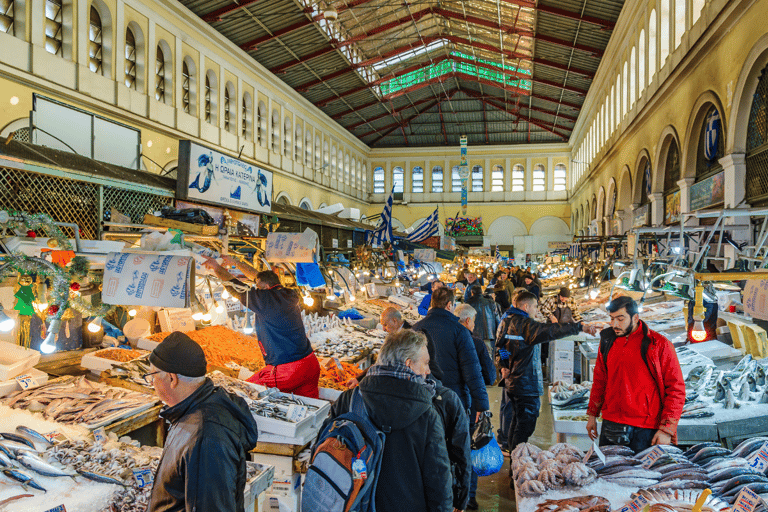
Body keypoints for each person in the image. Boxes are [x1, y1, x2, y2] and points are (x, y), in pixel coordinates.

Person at [325, 329, 454, 512]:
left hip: (355, 503)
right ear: (408, 364)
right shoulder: (426, 413)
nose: (428, 370)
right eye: (425, 363)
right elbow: (438, 477)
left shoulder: (350, 399)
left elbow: (324, 449)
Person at [146, 332, 259, 512]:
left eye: (152, 376)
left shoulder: (205, 436)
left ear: (171, 378)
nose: (151, 383)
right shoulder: (191, 411)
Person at [496, 291, 598, 461]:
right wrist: (579, 327)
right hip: (526, 383)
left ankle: (514, 461)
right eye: (535, 306)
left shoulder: (506, 321)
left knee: (516, 422)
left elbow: (501, 348)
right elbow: (552, 330)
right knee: (524, 426)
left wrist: (504, 366)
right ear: (526, 306)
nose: (537, 310)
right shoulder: (527, 325)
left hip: (512, 382)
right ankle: (517, 464)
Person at [203, 258, 321, 398]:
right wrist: (235, 261)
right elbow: (259, 277)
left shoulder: (265, 299)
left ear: (265, 288)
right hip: (310, 363)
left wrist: (216, 267)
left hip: (288, 370)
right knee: (310, 408)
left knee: (241, 393)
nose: (256, 290)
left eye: (258, 288)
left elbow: (233, 285)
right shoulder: (290, 294)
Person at [586, 296, 686, 452]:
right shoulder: (607, 341)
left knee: (644, 474)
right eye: (612, 319)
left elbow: (676, 389)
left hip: (646, 428)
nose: (614, 324)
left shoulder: (658, 344)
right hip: (612, 423)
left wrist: (667, 429)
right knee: (609, 473)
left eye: (620, 319)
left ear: (635, 317)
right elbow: (600, 380)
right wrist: (592, 414)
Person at [412, 287, 490, 419]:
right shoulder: (460, 331)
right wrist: (482, 405)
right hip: (455, 397)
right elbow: (472, 371)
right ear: (449, 305)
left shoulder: (416, 329)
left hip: (423, 397)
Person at [454, 302, 495, 509]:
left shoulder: (441, 338)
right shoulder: (476, 343)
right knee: (469, 450)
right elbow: (489, 376)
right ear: (468, 320)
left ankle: (451, 495)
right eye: (474, 321)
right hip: (469, 404)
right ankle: (468, 497)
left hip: (444, 405)